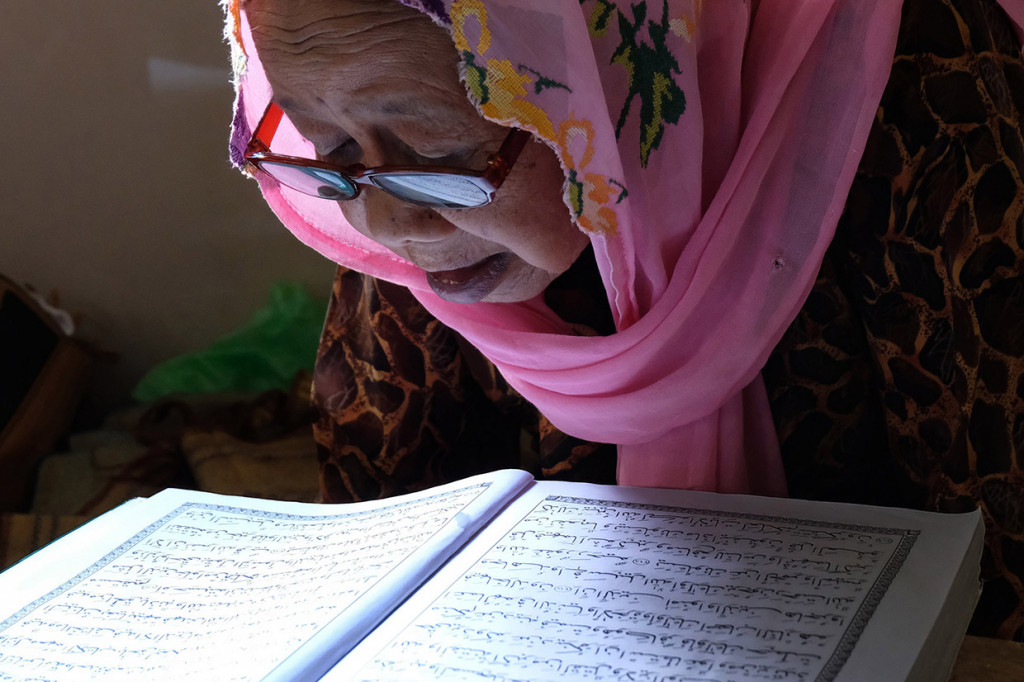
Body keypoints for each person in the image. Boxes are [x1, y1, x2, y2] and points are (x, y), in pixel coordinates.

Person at [225, 0, 1024, 639]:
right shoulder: (386, 191)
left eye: (441, 150)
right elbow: (375, 562)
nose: (392, 227)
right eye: (323, 143)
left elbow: (1001, 583)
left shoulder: (912, 94)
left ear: (607, 77)